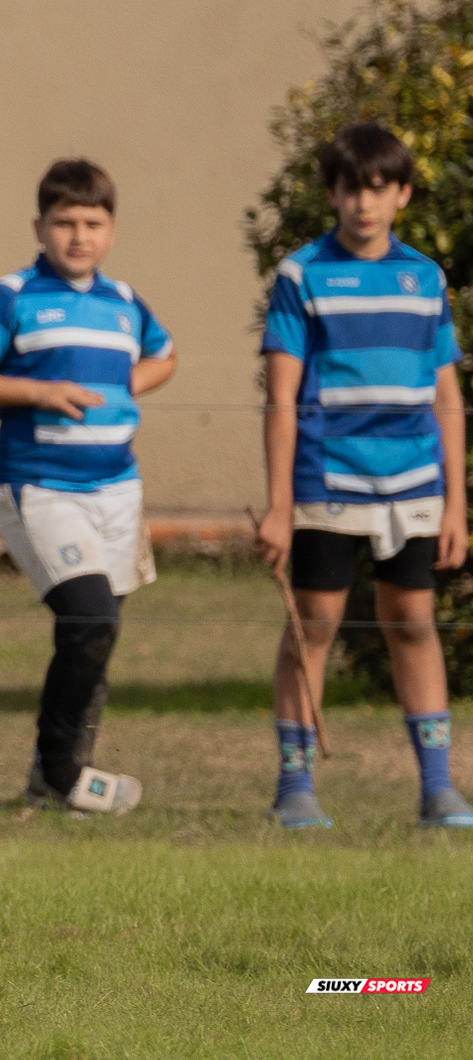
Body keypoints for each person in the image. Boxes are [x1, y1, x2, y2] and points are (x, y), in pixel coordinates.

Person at [0, 159, 177, 815]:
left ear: (112, 229)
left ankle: (53, 779)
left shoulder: (124, 303)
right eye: (64, 222)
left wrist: (129, 387)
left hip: (117, 492)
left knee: (100, 630)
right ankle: (66, 773)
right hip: (41, 488)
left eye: (92, 223)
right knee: (89, 617)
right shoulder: (11, 296)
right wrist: (37, 390)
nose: (79, 235)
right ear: (39, 226)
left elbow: (167, 354)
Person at [254, 122, 473, 830]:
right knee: (312, 624)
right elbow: (281, 397)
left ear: (402, 194)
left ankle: (438, 789)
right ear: (332, 194)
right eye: (351, 189)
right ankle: (295, 789)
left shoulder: (425, 279)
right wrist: (280, 506)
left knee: (411, 622)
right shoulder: (300, 276)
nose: (364, 203)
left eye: (379, 188)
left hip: (413, 487)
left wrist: (455, 506)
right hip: (326, 483)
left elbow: (446, 396)